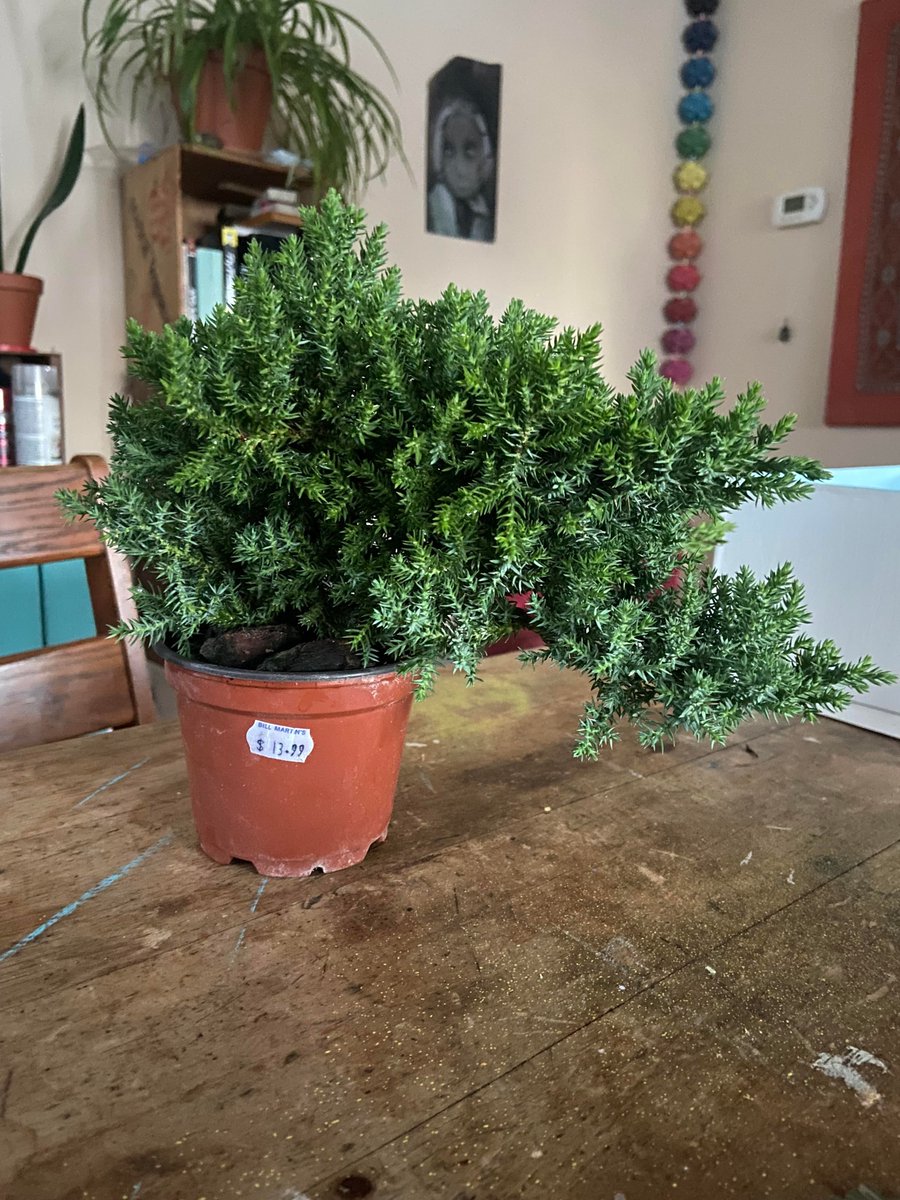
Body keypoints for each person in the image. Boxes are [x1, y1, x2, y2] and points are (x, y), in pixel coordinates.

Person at [428, 97, 495, 242]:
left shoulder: (481, 209)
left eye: (469, 153)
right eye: (449, 152)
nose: (459, 168)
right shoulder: (438, 205)